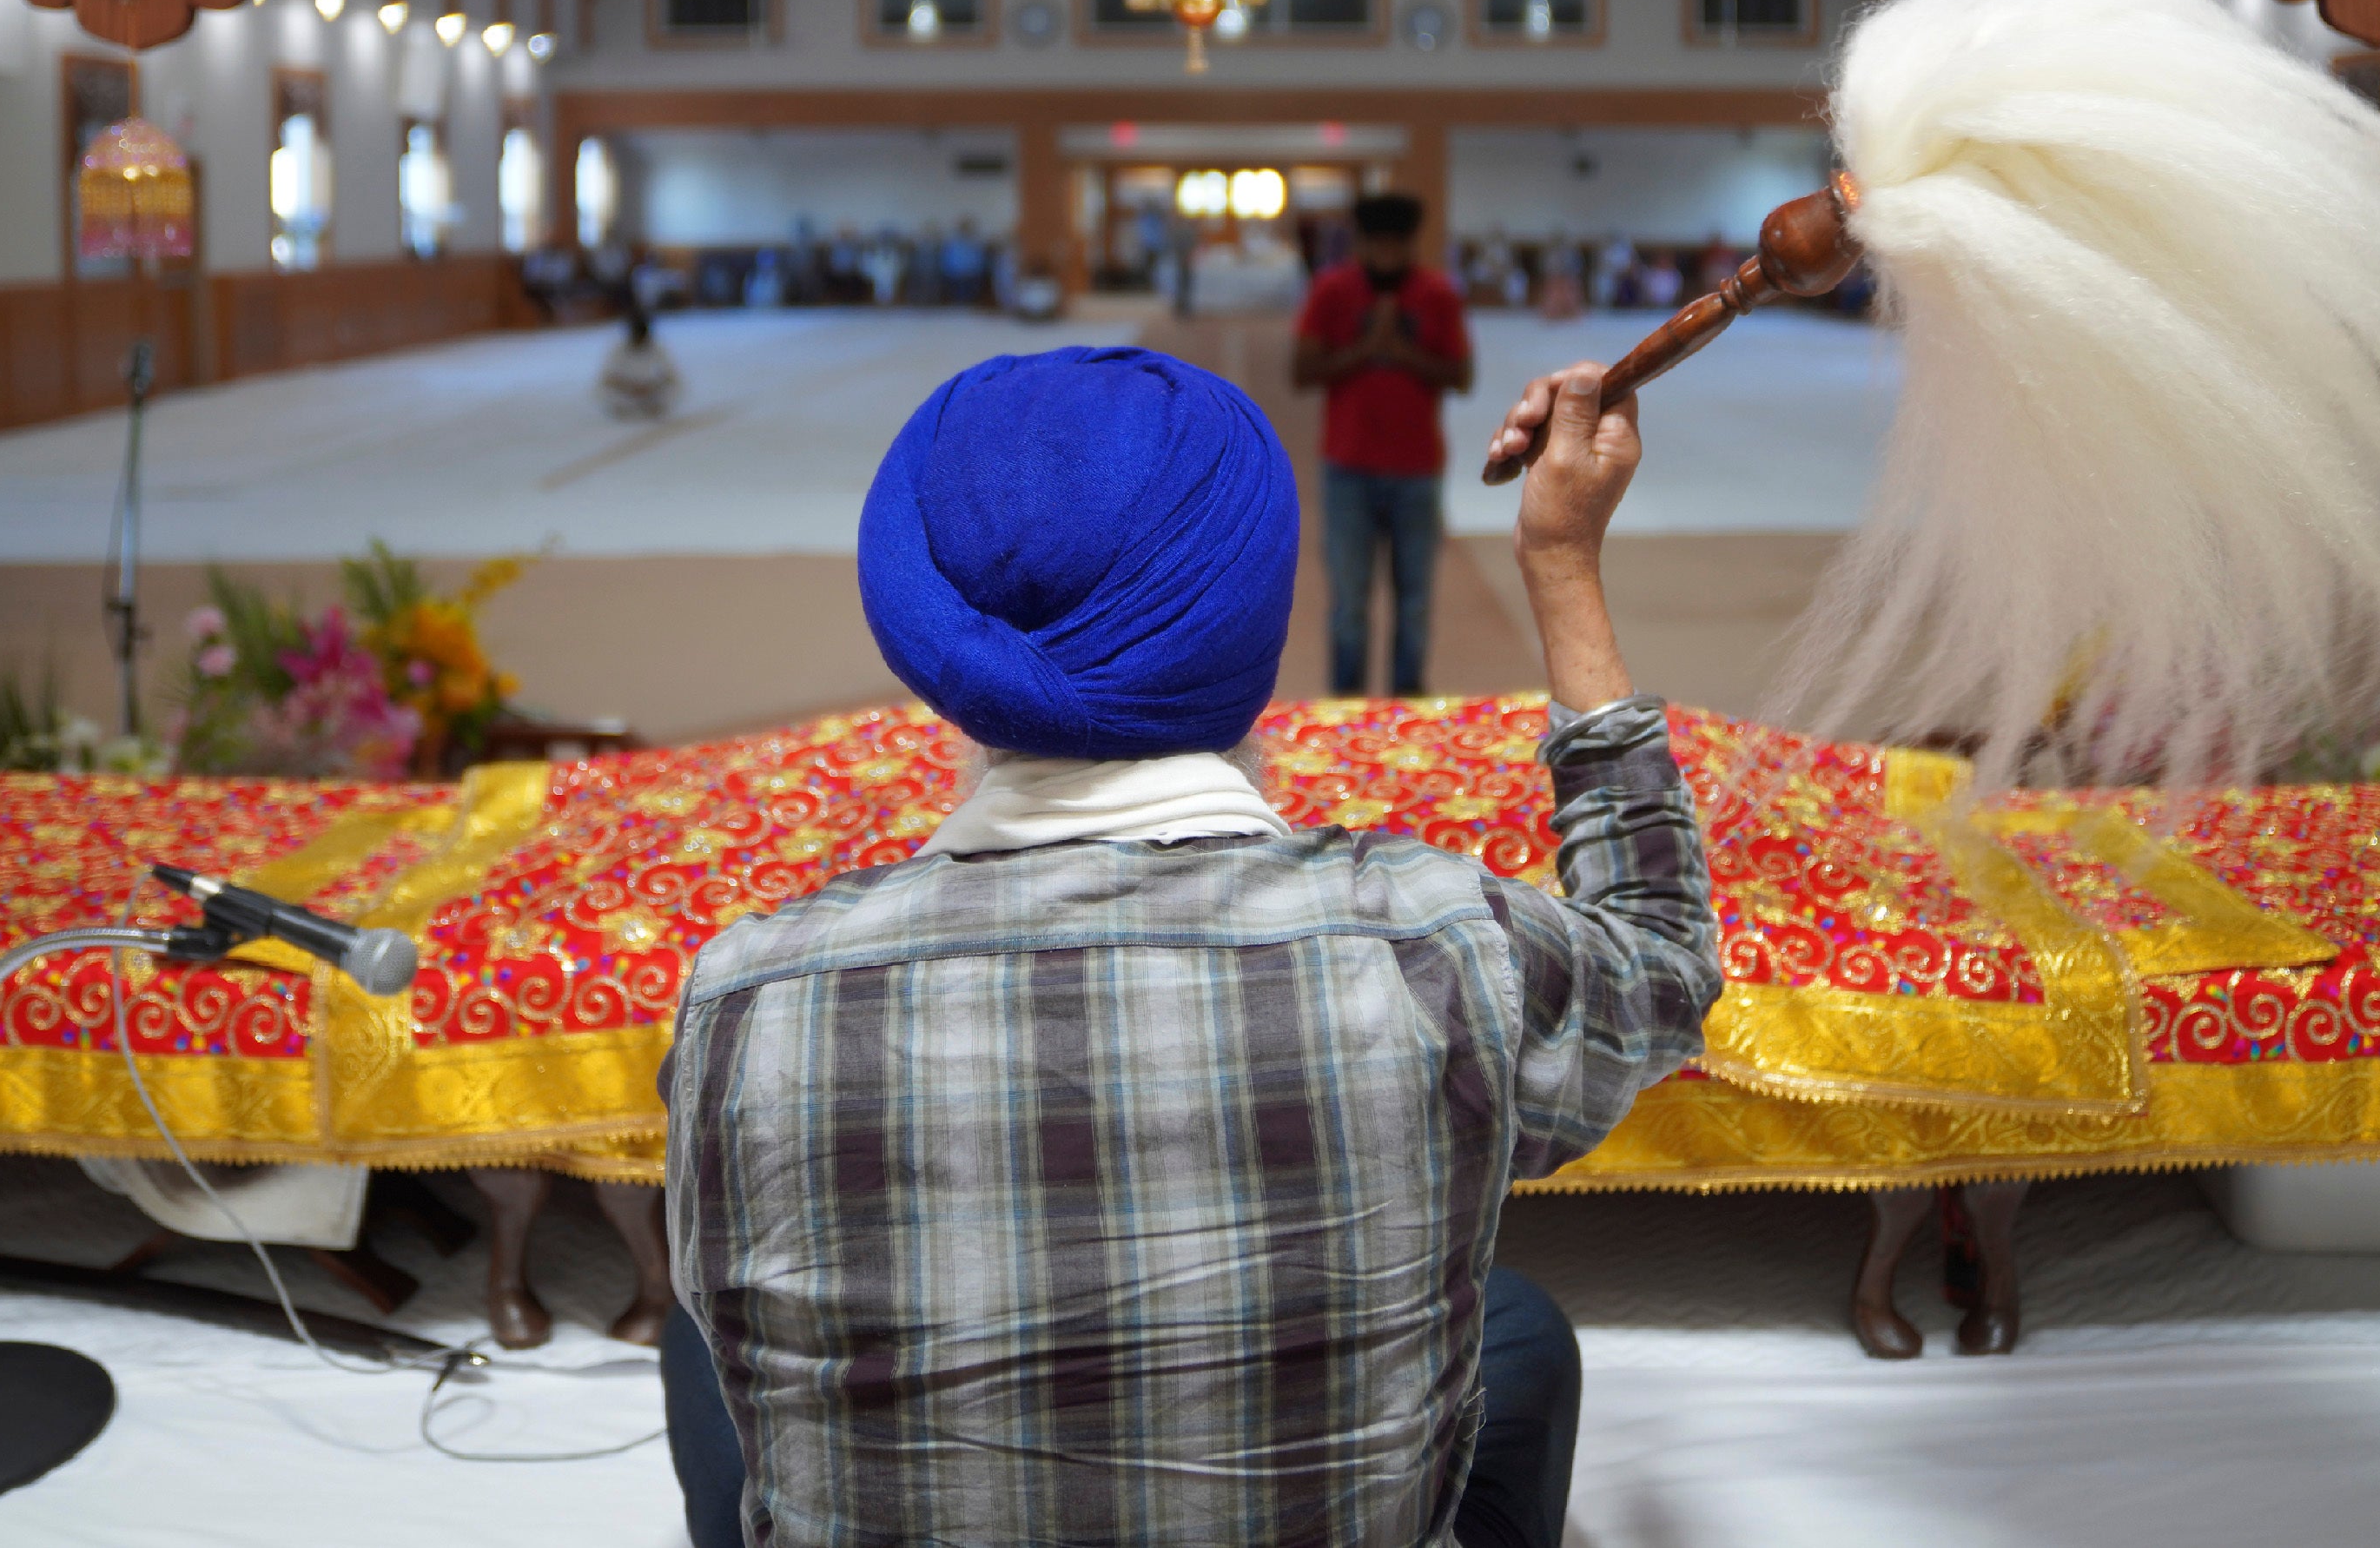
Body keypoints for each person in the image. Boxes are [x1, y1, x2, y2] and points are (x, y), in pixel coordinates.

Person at [661, 344, 1713, 1548]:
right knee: (1518, 1330)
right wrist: (1563, 563)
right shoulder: (1432, 946)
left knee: (701, 1335)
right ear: (1249, 627)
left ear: (928, 636)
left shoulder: (749, 997)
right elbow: (1662, 957)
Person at [1292, 193, 1475, 698]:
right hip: (1348, 468)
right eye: (1379, 244)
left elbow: (1461, 375)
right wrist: (1367, 349)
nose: (1388, 255)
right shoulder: (1333, 290)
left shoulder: (1437, 293)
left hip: (1417, 469)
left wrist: (1401, 351)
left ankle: (1407, 703)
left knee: (1414, 601)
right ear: (1362, 243)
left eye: (1398, 245)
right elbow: (1302, 370)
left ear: (1410, 244)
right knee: (1349, 602)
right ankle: (1347, 707)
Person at [598, 303, 682, 421]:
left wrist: (652, 387)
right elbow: (607, 379)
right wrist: (630, 388)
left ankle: (652, 407)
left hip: (651, 392)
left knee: (674, 390)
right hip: (627, 392)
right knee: (604, 394)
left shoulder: (656, 347)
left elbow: (671, 376)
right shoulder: (619, 348)